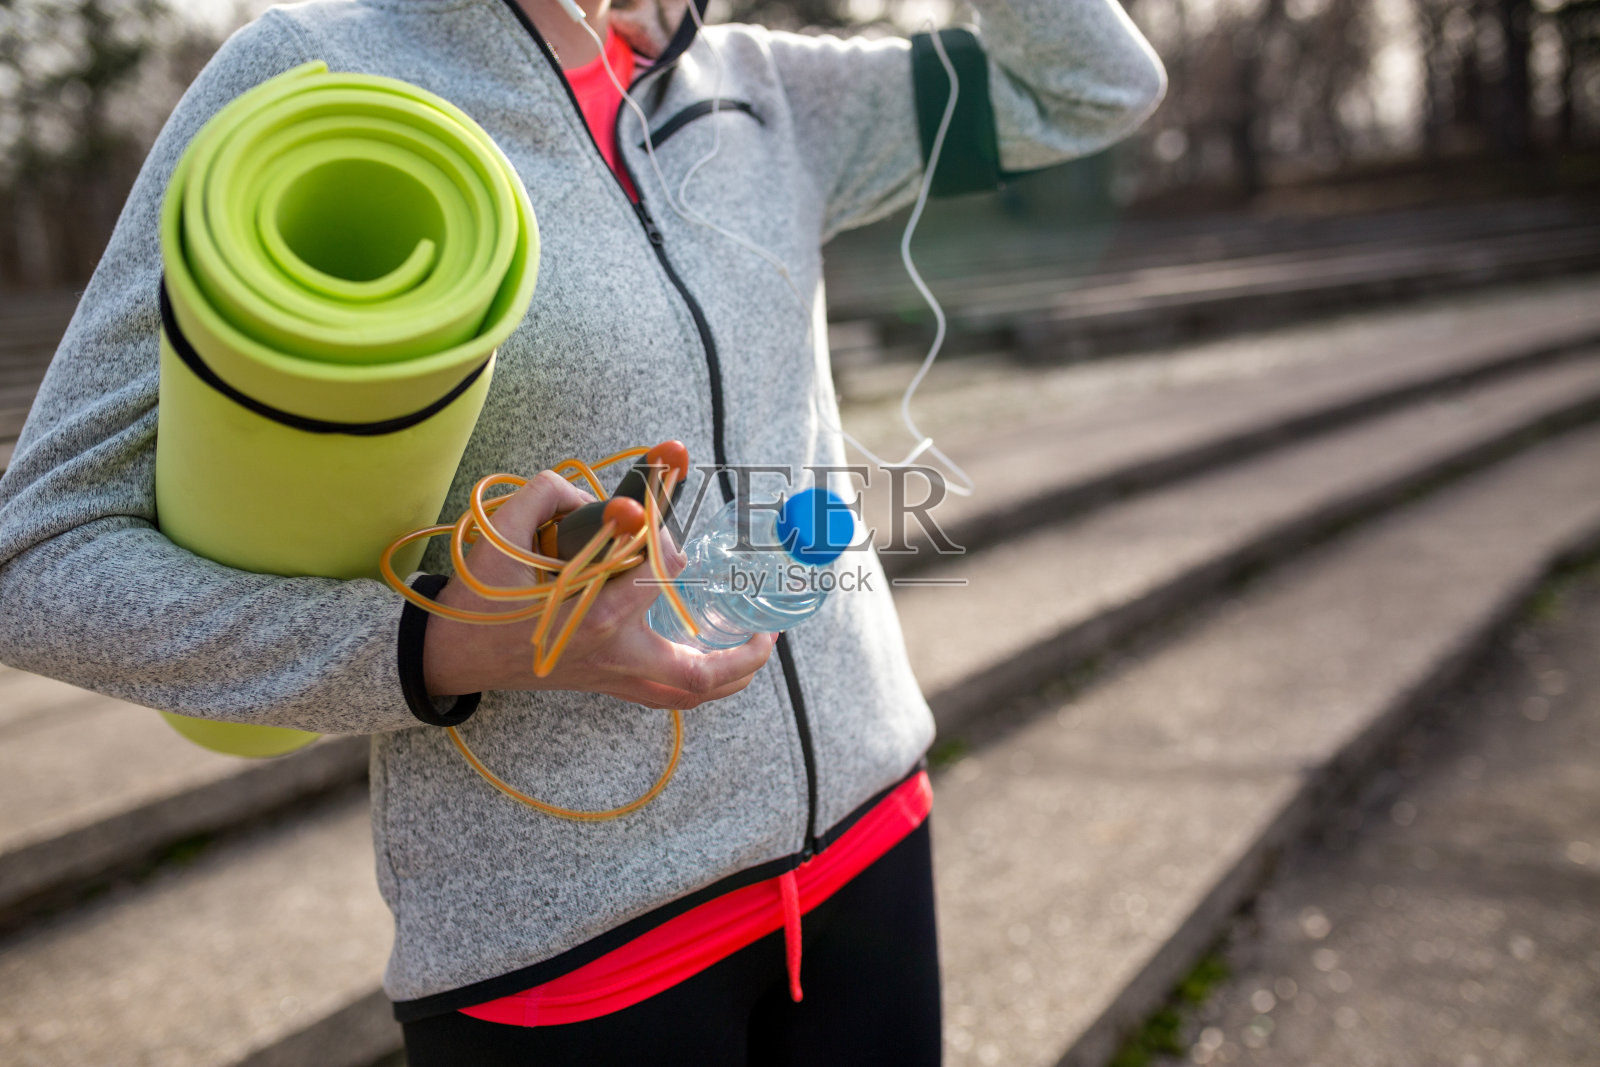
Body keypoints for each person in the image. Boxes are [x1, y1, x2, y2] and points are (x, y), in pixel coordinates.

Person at [0, 0, 1165, 1062]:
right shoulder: (313, 75)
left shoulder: (767, 86)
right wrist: (446, 640)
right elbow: (36, 560)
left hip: (868, 839)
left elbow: (1095, 87)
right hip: (575, 946)